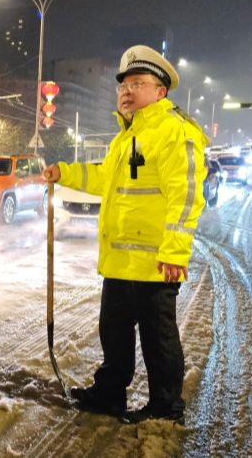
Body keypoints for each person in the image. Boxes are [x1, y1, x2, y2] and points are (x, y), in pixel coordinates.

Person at [42, 45, 209, 425]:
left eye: (138, 83)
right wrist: (64, 173)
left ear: (160, 92)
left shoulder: (175, 132)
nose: (126, 92)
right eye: (123, 86)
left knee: (158, 339)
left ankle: (165, 407)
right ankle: (110, 394)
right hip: (120, 261)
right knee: (113, 333)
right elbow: (104, 179)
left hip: (154, 262)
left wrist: (174, 252)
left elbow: (185, 199)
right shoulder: (125, 137)